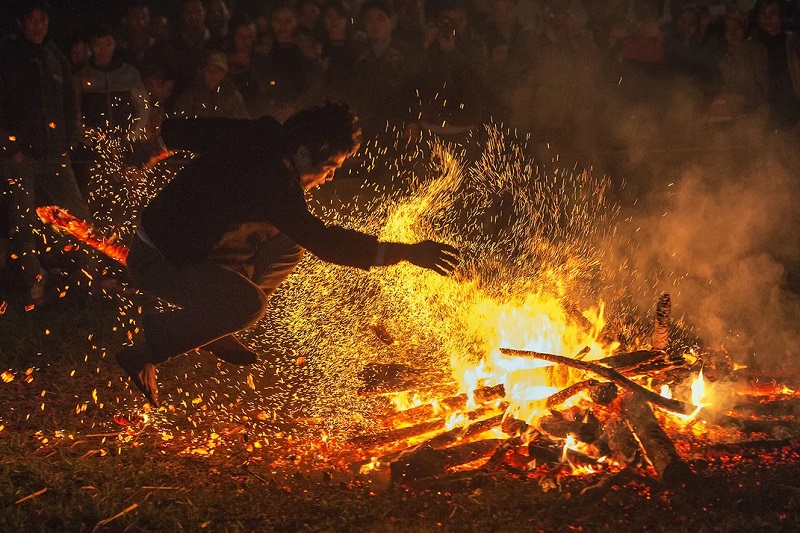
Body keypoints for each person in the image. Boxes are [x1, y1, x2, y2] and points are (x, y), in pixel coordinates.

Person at [117, 101, 460, 405]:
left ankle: (215, 322)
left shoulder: (263, 134)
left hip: (185, 247)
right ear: (307, 151)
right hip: (158, 261)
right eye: (330, 167)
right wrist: (406, 253)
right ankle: (147, 352)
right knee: (249, 305)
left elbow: (194, 130)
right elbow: (325, 242)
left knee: (288, 244)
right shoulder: (274, 184)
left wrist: (156, 146)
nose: (327, 178)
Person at [0, 1, 92, 305]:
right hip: (21, 157)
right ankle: (34, 282)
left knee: (77, 214)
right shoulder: (9, 57)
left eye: (43, 20)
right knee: (23, 220)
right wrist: (11, 148)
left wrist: (67, 143)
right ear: (22, 24)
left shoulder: (55, 58)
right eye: (32, 20)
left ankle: (87, 276)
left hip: (55, 153)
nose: (38, 26)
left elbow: (68, 103)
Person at [173, 49, 250, 119]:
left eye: (218, 71)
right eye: (209, 70)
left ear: (224, 73)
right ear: (202, 72)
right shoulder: (190, 96)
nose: (213, 74)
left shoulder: (232, 97)